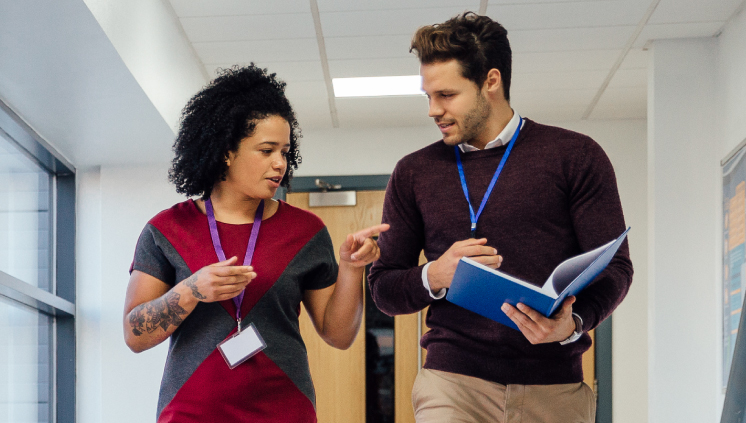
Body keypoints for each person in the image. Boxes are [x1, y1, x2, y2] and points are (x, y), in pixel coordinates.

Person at [368, 12, 633, 423]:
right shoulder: (414, 171)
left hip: (554, 385)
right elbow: (384, 288)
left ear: (491, 81)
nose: (433, 110)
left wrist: (573, 324)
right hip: (452, 384)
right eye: (429, 96)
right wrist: (434, 275)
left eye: (447, 95)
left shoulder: (575, 156)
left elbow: (616, 267)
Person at [123, 65, 388, 422]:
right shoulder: (166, 230)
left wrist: (352, 270)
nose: (280, 164)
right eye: (266, 150)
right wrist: (191, 290)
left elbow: (338, 336)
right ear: (226, 152)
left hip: (284, 409)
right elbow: (135, 335)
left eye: (285, 151)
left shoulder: (306, 231)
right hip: (191, 411)